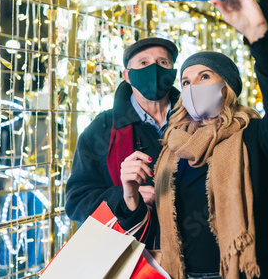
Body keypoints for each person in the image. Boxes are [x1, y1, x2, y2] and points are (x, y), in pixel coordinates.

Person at [115, 0, 268, 279]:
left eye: (205, 76)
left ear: (226, 88)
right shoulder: (170, 146)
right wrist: (129, 195)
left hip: (247, 272)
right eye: (186, 81)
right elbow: (151, 225)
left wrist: (258, 36)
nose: (193, 86)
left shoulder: (253, 136)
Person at [64, 35, 181, 248]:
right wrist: (125, 198)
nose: (153, 69)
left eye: (162, 62)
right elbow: (77, 201)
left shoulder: (196, 121)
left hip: (194, 252)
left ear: (172, 73)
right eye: (143, 63)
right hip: (135, 256)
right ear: (127, 76)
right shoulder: (101, 130)